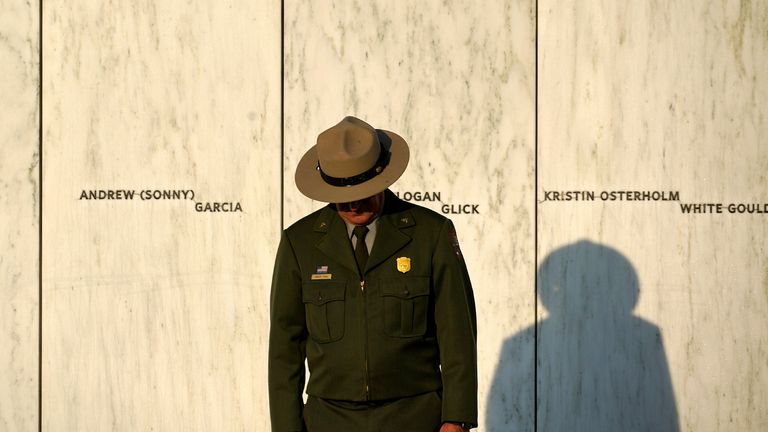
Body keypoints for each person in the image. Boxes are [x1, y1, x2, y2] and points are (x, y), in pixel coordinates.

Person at [268, 116, 477, 432]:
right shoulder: (300, 243)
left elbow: (457, 333)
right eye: (342, 194)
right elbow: (286, 346)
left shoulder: (430, 235)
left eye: (363, 189)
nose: (353, 203)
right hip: (329, 420)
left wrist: (457, 418)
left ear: (383, 178)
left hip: (415, 415)